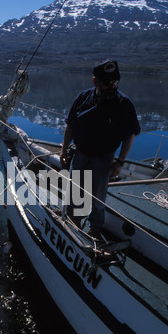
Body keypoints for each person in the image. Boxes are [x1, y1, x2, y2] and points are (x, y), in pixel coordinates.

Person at [60, 59, 140, 239]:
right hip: (80, 155)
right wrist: (63, 151)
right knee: (75, 194)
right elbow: (70, 126)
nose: (112, 85)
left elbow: (130, 135)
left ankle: (94, 229)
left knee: (97, 197)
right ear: (95, 81)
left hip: (104, 159)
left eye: (115, 81)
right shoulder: (82, 98)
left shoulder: (124, 104)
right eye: (107, 82)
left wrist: (119, 162)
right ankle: (73, 225)